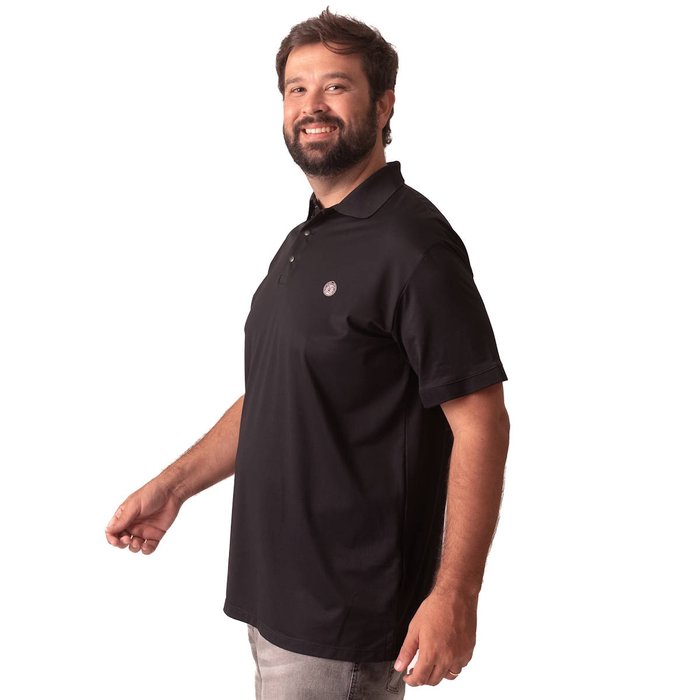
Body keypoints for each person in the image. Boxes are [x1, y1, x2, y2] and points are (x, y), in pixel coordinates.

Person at [105, 9, 510, 699]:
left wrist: (456, 595)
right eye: (297, 89)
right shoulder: (306, 239)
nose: (311, 105)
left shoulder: (413, 246)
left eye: (335, 86)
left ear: (384, 105)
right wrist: (173, 486)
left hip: (345, 619)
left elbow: (482, 423)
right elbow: (281, 395)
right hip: (278, 607)